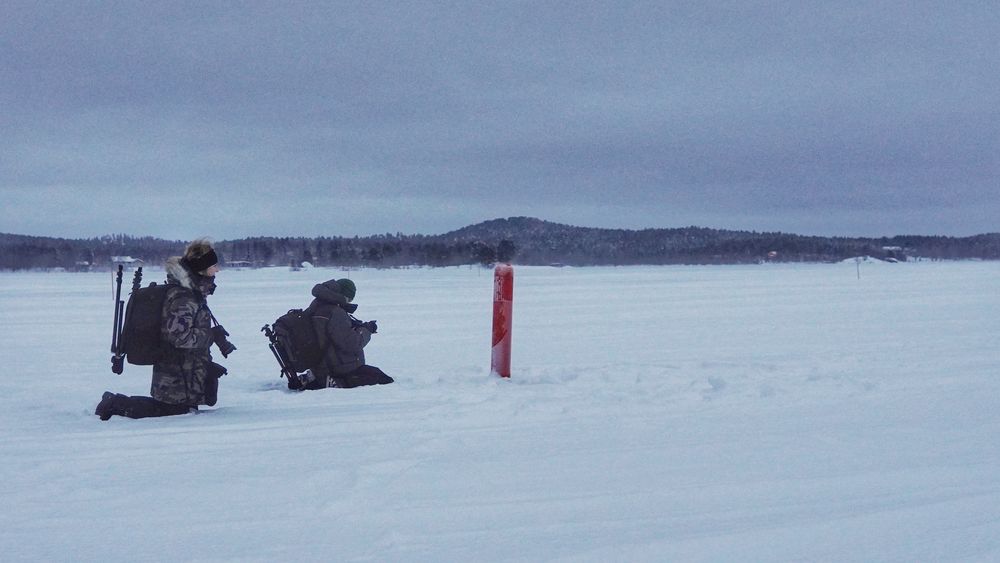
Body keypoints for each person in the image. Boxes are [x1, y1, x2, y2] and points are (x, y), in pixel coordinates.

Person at [95, 238, 236, 420]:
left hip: (185, 371)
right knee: (171, 411)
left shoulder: (192, 293)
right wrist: (209, 336)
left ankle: (114, 402)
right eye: (214, 265)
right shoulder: (184, 297)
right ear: (202, 268)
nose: (217, 270)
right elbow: (179, 336)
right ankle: (115, 404)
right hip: (175, 374)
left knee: (180, 409)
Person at [297, 278, 393, 390]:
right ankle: (334, 382)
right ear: (343, 296)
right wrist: (366, 330)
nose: (348, 302)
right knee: (381, 378)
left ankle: (315, 377)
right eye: (349, 299)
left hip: (320, 363)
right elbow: (352, 344)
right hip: (339, 367)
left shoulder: (316, 306)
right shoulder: (335, 312)